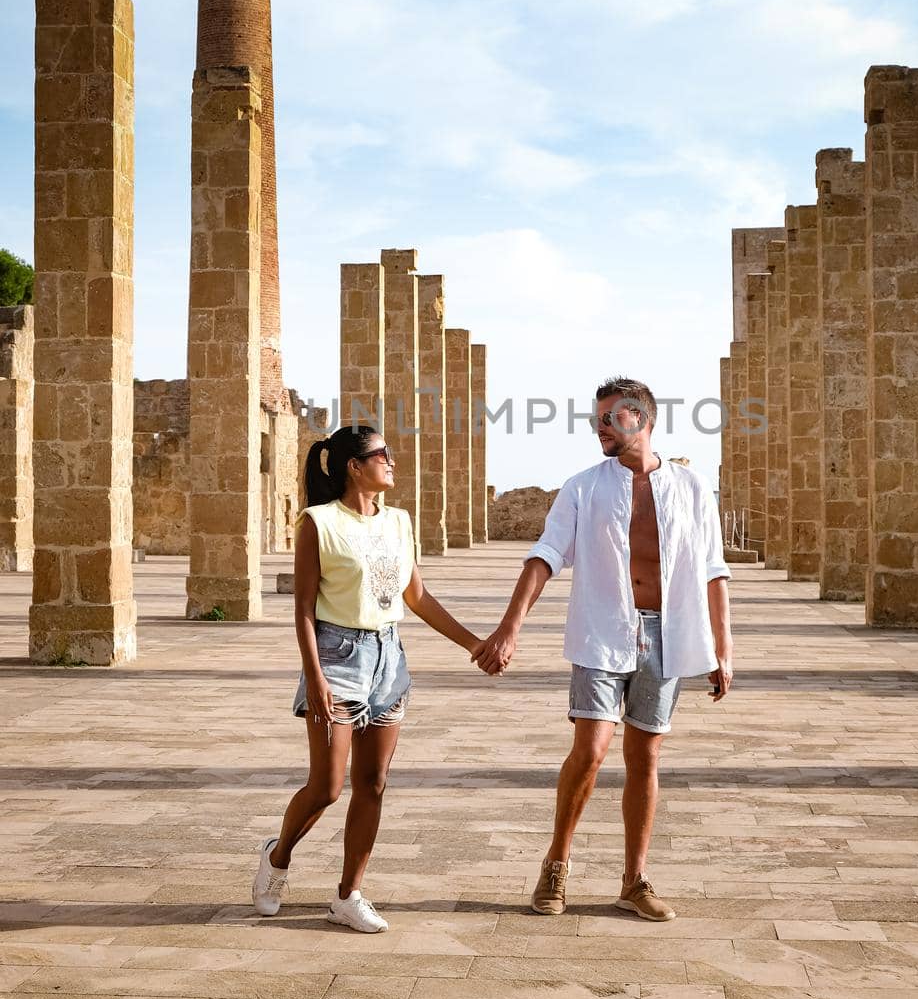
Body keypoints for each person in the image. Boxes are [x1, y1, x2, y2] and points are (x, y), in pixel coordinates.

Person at [475, 376, 732, 922]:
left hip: (668, 633)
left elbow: (714, 570)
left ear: (640, 418)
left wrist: (721, 648)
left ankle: (634, 879)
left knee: (645, 758)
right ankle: (557, 862)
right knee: (590, 752)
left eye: (610, 418)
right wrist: (509, 628)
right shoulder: (583, 487)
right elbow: (545, 555)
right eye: (598, 419)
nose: (601, 428)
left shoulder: (689, 487)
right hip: (601, 630)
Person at [252, 423, 489, 932]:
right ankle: (278, 857)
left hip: (389, 660)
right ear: (354, 466)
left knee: (373, 784)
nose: (392, 460)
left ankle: (348, 895)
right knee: (328, 786)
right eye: (383, 453)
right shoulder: (319, 522)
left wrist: (474, 643)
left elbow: (417, 597)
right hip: (337, 657)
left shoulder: (399, 522)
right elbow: (303, 609)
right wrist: (314, 676)